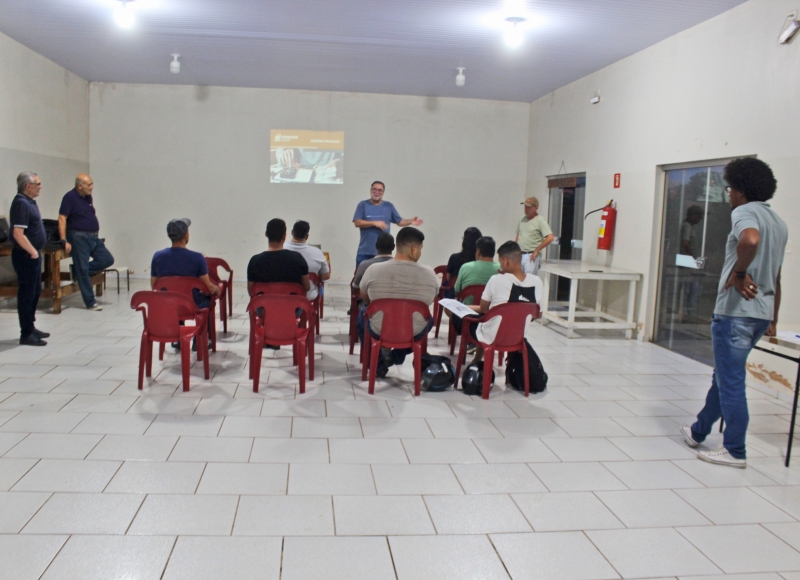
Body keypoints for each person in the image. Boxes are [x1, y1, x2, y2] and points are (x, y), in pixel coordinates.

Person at [682, 158, 788, 469]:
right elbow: (776, 276)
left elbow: (749, 241)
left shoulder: (744, 212)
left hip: (735, 313)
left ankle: (735, 450)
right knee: (723, 377)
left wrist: (739, 273)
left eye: (729, 188)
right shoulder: (778, 222)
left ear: (740, 189)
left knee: (730, 381)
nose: (728, 194)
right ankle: (698, 431)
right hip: (760, 315)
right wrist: (774, 319)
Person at [358, 227, 439, 377]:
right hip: (413, 331)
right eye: (421, 248)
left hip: (379, 328)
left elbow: (364, 297)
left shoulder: (373, 269)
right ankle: (396, 356)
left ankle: (375, 363)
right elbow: (431, 299)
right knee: (429, 320)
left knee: (362, 314)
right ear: (414, 249)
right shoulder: (429, 273)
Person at [465, 241, 544, 365]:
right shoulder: (537, 281)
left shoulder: (496, 279)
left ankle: (476, 360)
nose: (501, 266)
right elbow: (537, 315)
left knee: (475, 322)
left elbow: (484, 309)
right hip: (517, 337)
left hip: (492, 337)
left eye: (501, 262)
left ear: (505, 261)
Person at [150, 218, 220, 351]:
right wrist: (216, 290)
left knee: (173, 295)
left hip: (168, 306)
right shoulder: (197, 258)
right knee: (209, 302)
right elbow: (207, 287)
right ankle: (199, 340)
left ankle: (176, 339)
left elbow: (154, 286)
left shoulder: (157, 256)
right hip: (192, 306)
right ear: (186, 234)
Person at [58, 174, 114, 311]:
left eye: (92, 184)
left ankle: (77, 271)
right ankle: (90, 302)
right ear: (79, 186)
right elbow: (62, 218)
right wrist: (64, 240)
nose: (92, 187)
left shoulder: (87, 197)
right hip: (78, 237)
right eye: (89, 185)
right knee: (83, 269)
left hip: (93, 237)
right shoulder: (69, 197)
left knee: (107, 259)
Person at [10, 172, 50, 346]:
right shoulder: (21, 203)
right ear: (28, 186)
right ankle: (25, 333)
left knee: (35, 292)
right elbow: (18, 234)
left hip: (33, 254)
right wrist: (33, 252)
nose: (40, 186)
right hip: (26, 255)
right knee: (26, 294)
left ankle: (31, 326)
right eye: (38, 184)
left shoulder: (30, 202)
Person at [352, 181, 423, 266]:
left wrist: (410, 221)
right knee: (361, 278)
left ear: (383, 192)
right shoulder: (363, 205)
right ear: (370, 190)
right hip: (365, 251)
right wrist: (374, 223)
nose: (377, 192)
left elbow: (399, 221)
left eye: (380, 190)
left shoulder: (388, 206)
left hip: (384, 253)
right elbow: (357, 222)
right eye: (374, 189)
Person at [448, 236, 500, 344]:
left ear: (478, 251)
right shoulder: (501, 269)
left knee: (447, 308)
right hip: (492, 314)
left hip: (469, 312)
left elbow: (457, 291)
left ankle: (467, 334)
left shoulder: (466, 267)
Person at [247, 218, 310, 293]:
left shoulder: (254, 261)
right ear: (284, 236)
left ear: (266, 234)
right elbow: (306, 287)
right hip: (291, 304)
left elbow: (251, 290)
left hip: (264, 304)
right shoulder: (298, 258)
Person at [284, 220, 331, 301]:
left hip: (283, 293)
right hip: (307, 295)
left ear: (292, 232)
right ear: (307, 236)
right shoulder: (317, 252)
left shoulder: (281, 248)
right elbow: (325, 276)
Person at [515, 197, 554, 276]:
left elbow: (550, 237)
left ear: (536, 208)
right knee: (518, 280)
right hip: (519, 254)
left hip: (531, 255)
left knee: (529, 281)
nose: (526, 209)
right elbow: (518, 235)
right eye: (525, 207)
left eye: (528, 207)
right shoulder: (522, 219)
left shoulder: (540, 220)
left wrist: (537, 250)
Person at [680, 205, 705, 318]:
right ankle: (689, 311)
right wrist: (693, 259)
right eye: (699, 217)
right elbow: (685, 243)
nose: (700, 219)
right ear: (693, 216)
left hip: (687, 260)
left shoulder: (688, 226)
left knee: (691, 286)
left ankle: (688, 310)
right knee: (692, 286)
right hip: (686, 260)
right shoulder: (687, 226)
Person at [444, 227, 482, 298]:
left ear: (464, 241)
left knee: (447, 284)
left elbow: (449, 278)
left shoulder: (454, 257)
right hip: (478, 296)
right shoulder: (482, 263)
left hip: (455, 296)